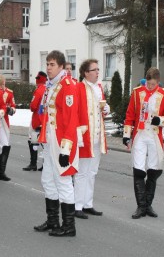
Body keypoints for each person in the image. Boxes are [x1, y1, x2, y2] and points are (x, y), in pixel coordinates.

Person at [34, 50, 79, 237]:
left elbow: (70, 120)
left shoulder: (67, 86)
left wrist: (65, 150)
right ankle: (53, 221)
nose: (48, 68)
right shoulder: (51, 85)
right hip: (50, 139)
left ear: (61, 66)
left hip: (62, 142)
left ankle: (69, 226)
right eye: (47, 64)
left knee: (64, 182)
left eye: (52, 64)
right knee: (47, 180)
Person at [123, 67, 164, 219]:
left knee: (154, 170)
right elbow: (130, 114)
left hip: (154, 135)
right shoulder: (137, 92)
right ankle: (141, 206)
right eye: (148, 84)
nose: (150, 87)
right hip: (140, 133)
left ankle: (148, 204)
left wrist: (161, 120)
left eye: (152, 84)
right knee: (138, 169)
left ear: (158, 82)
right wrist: (127, 135)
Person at [74, 59, 110, 219]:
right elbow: (74, 113)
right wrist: (77, 135)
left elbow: (99, 111)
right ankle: (77, 205)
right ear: (85, 73)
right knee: (82, 172)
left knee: (92, 172)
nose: (97, 72)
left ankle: (88, 203)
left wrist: (106, 110)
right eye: (94, 70)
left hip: (97, 137)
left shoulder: (99, 88)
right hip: (84, 136)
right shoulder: (79, 88)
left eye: (98, 69)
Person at [23, 71, 47, 172]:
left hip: (37, 119)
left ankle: (33, 163)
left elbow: (33, 106)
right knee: (44, 143)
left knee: (33, 140)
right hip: (45, 119)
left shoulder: (39, 90)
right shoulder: (48, 89)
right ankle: (45, 164)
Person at [0, 75, 15, 181]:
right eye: (1, 83)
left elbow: (13, 106)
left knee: (6, 145)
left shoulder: (9, 92)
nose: (3, 86)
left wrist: (11, 110)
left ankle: (1, 172)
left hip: (4, 122)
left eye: (4, 83)